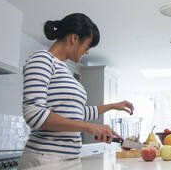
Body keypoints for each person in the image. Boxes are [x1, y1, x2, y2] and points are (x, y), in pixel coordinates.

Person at [18, 13, 134, 169]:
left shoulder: (65, 69)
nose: (87, 51)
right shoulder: (42, 59)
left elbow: (76, 112)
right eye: (88, 45)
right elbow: (34, 114)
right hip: (46, 160)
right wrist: (89, 127)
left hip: (71, 159)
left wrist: (112, 106)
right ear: (74, 38)